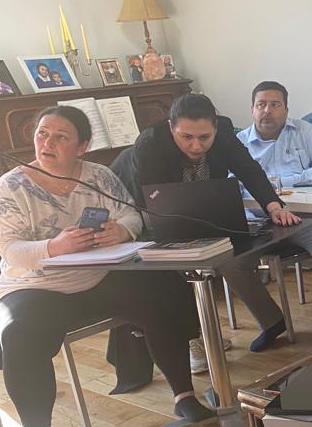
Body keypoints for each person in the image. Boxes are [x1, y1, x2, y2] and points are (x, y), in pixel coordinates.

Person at [0, 106, 210, 427]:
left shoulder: (99, 176)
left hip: (95, 276)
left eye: (61, 137)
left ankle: (184, 396)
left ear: (82, 146)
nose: (48, 142)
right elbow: (9, 248)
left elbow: (131, 214)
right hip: (33, 285)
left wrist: (121, 230)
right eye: (43, 133)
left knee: (161, 287)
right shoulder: (12, 186)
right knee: (18, 332)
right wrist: (53, 247)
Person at [113, 93, 302, 353]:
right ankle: (192, 339)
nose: (196, 146)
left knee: (230, 252)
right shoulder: (150, 143)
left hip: (196, 200)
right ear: (171, 127)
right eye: (186, 137)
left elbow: (249, 170)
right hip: (138, 199)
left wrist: (273, 205)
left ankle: (268, 322)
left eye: (204, 137)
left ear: (215, 127)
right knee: (173, 267)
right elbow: (154, 203)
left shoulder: (224, 132)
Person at [236, 80, 312, 324]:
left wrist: (287, 182)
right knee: (231, 262)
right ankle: (271, 323)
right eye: (261, 105)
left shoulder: (302, 130)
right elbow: (232, 186)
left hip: (301, 217)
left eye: (275, 104)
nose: (267, 110)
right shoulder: (239, 143)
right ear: (252, 110)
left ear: (286, 110)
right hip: (259, 222)